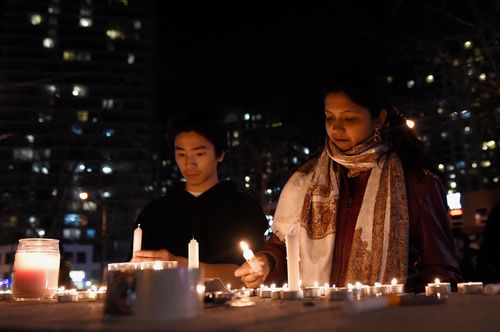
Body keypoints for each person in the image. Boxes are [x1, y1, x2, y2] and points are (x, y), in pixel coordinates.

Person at [235, 69, 462, 293]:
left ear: (379, 119)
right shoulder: (305, 181)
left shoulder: (417, 184)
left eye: (349, 118)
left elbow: (441, 272)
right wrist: (266, 263)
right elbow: (283, 245)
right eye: (329, 117)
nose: (336, 127)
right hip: (319, 319)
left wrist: (399, 298)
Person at [131, 111, 268, 287]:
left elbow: (249, 274)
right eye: (181, 154)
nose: (189, 164)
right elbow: (134, 273)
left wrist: (182, 266)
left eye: (199, 154)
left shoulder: (244, 208)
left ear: (220, 154)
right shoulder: (155, 213)